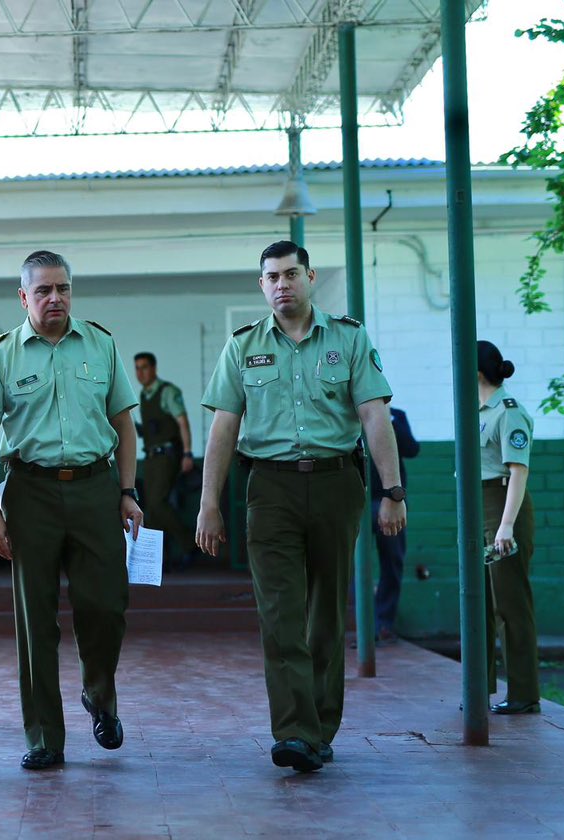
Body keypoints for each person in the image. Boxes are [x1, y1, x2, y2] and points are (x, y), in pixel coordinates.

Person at [197, 240, 406, 773]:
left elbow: (373, 415)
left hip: (337, 483)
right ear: (261, 285)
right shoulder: (243, 346)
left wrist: (392, 491)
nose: (282, 284)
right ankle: (295, 731)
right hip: (268, 490)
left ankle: (320, 726)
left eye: (292, 274)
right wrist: (209, 505)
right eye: (272, 277)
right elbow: (224, 425)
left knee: (325, 614)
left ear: (310, 277)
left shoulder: (348, 338)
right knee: (279, 616)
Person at [0, 249, 143, 771]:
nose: (55, 298)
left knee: (106, 608)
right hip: (29, 493)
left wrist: (128, 492)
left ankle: (99, 694)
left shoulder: (101, 345)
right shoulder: (1, 356)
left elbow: (125, 427)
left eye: (62, 288)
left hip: (95, 489)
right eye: (42, 290)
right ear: (24, 297)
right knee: (34, 620)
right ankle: (44, 737)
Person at [477, 340, 540, 715]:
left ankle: (523, 693)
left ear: (477, 371)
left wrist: (506, 526)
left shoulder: (508, 412)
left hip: (502, 505)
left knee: (511, 604)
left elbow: (518, 470)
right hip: (479, 506)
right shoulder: (479, 410)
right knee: (480, 602)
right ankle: (478, 686)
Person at [133, 352, 196, 569]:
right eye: (137, 368)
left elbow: (182, 422)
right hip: (150, 456)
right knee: (151, 507)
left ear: (154, 368)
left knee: (158, 504)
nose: (140, 373)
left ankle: (189, 546)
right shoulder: (144, 395)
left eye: (144, 367)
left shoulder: (167, 391)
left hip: (167, 456)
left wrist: (188, 453)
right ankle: (163, 556)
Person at [370, 407, 419, 643]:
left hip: (390, 500)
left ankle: (383, 622)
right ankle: (361, 622)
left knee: (392, 560)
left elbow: (412, 449)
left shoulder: (397, 415)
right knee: (348, 564)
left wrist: (389, 422)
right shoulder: (350, 412)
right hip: (359, 499)